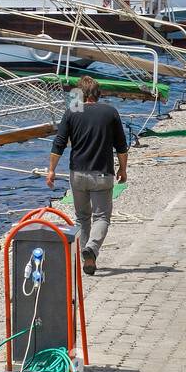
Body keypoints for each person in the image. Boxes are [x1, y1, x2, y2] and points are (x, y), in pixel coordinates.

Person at [46, 75, 128, 276]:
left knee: (82, 217)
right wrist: (123, 169)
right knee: (102, 217)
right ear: (98, 94)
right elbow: (121, 146)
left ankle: (87, 258)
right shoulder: (110, 112)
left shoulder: (72, 112)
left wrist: (51, 170)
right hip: (102, 173)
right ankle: (91, 249)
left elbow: (59, 143)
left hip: (78, 175)